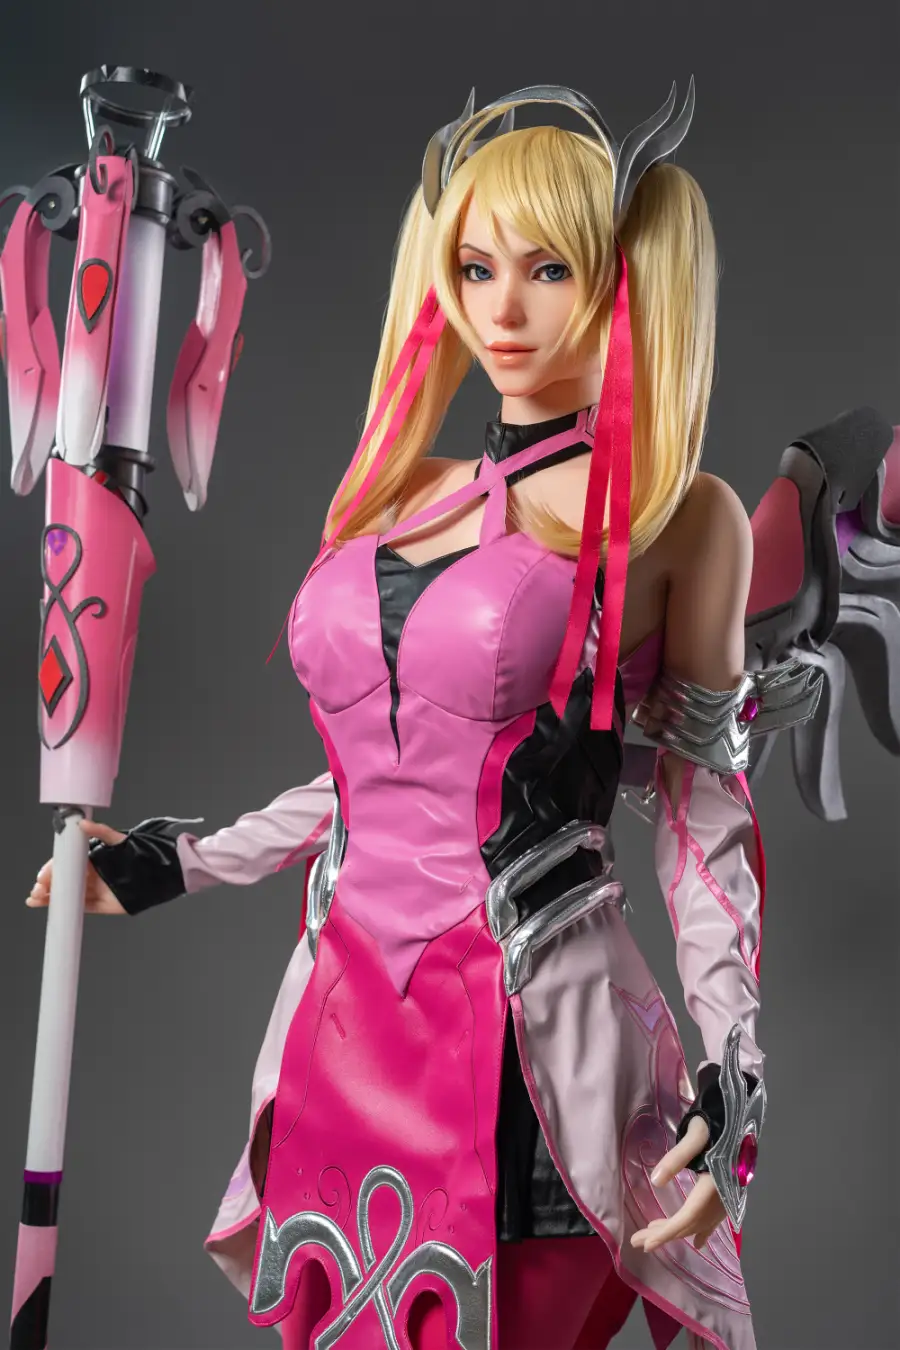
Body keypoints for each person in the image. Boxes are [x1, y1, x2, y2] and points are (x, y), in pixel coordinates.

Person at [27, 84, 822, 1350]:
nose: (502, 310)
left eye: (548, 270)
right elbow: (376, 778)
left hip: (526, 1046)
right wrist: (184, 860)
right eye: (475, 266)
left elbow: (698, 822)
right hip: (344, 1022)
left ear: (620, 279)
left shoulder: (675, 520)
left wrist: (735, 1066)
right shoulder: (402, 495)